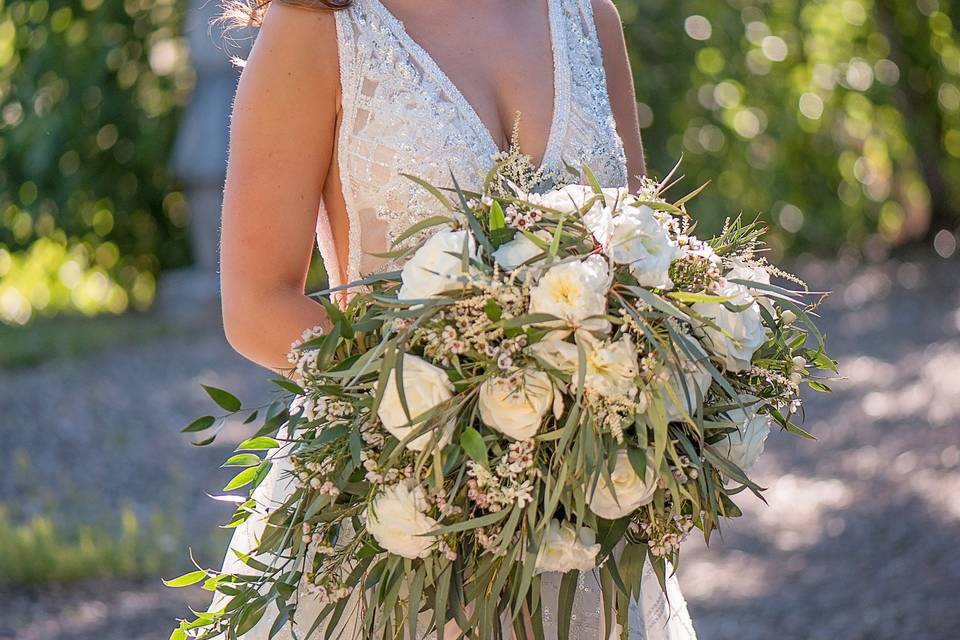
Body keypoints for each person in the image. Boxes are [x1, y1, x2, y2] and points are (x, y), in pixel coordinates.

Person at [214, 0, 697, 637]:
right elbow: (256, 305)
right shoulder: (318, 25)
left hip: (578, 513)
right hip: (400, 510)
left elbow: (640, 257)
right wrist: (450, 408)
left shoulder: (588, 18)